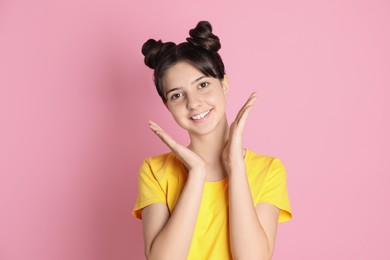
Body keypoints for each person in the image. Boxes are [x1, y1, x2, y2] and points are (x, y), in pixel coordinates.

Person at [132, 21, 292, 260]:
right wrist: (197, 173)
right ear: (167, 106)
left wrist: (235, 165)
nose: (193, 102)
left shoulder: (268, 170)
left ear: (224, 84)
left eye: (203, 85)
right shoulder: (155, 171)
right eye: (177, 95)